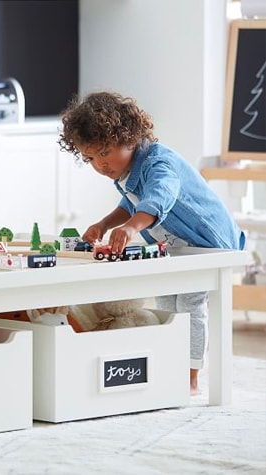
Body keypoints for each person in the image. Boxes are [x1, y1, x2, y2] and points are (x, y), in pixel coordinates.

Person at [58, 91, 245, 395]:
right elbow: (131, 202)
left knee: (189, 306)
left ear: (128, 136)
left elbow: (159, 197)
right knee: (166, 304)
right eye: (91, 158)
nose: (100, 165)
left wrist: (132, 228)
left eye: (105, 153)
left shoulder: (159, 163)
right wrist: (105, 224)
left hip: (207, 244)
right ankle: (172, 364)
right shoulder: (129, 171)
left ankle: (190, 377)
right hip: (177, 248)